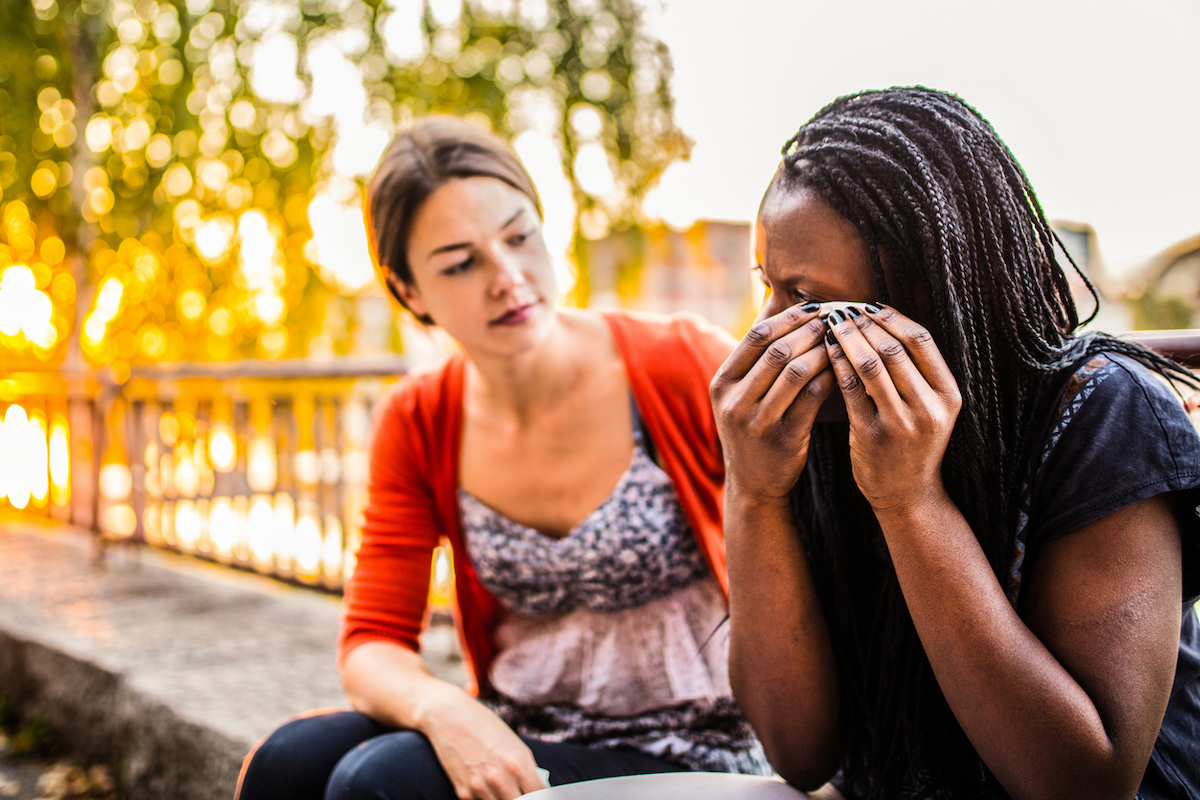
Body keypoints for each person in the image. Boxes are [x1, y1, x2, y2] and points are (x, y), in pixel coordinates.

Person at [235, 116, 770, 800]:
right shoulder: (420, 415)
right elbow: (372, 642)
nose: (508, 278)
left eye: (520, 237)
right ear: (410, 294)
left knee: (379, 783)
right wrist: (447, 709)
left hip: (700, 746)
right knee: (288, 762)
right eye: (461, 263)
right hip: (523, 732)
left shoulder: (682, 363)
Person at [710, 87, 1200, 799]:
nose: (769, 331)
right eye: (768, 286)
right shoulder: (824, 419)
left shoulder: (1103, 412)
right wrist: (754, 494)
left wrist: (911, 503)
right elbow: (800, 752)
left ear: (927, 303)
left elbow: (1086, 785)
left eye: (808, 301)